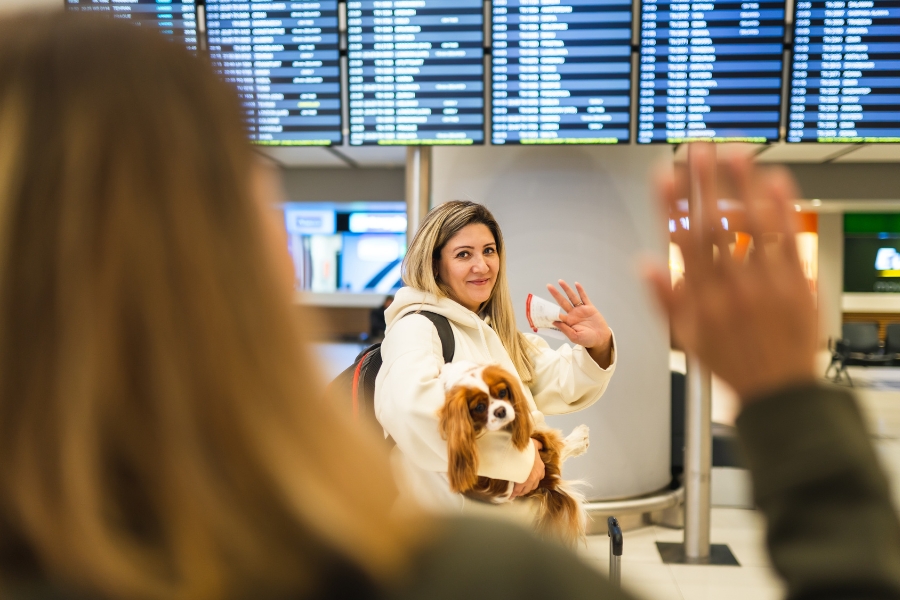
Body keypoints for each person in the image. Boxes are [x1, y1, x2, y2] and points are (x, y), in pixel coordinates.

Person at [375, 201, 617, 515]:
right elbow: (412, 411)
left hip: (508, 533)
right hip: (453, 536)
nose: (482, 266)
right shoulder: (417, 327)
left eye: (489, 251)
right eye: (464, 254)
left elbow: (553, 379)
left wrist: (598, 345)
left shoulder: (493, 331)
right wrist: (522, 459)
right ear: (435, 265)